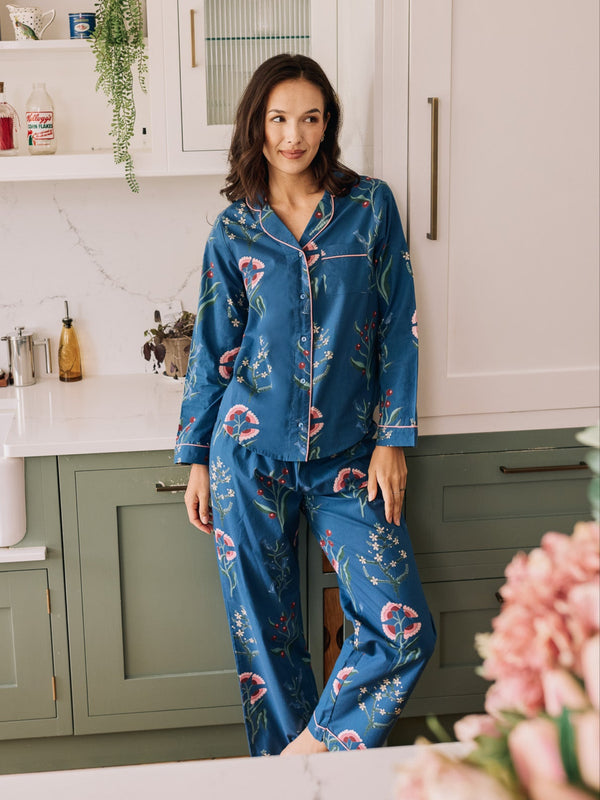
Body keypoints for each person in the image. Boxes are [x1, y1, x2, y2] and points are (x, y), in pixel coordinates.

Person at [175, 53, 436, 757]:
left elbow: (398, 326)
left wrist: (393, 438)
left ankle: (307, 756)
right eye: (280, 118)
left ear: (330, 124)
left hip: (350, 453)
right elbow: (214, 351)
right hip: (248, 454)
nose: (295, 135)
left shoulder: (369, 207)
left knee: (403, 625)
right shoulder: (234, 231)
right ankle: (285, 783)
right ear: (257, 124)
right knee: (266, 645)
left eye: (311, 118)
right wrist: (195, 457)